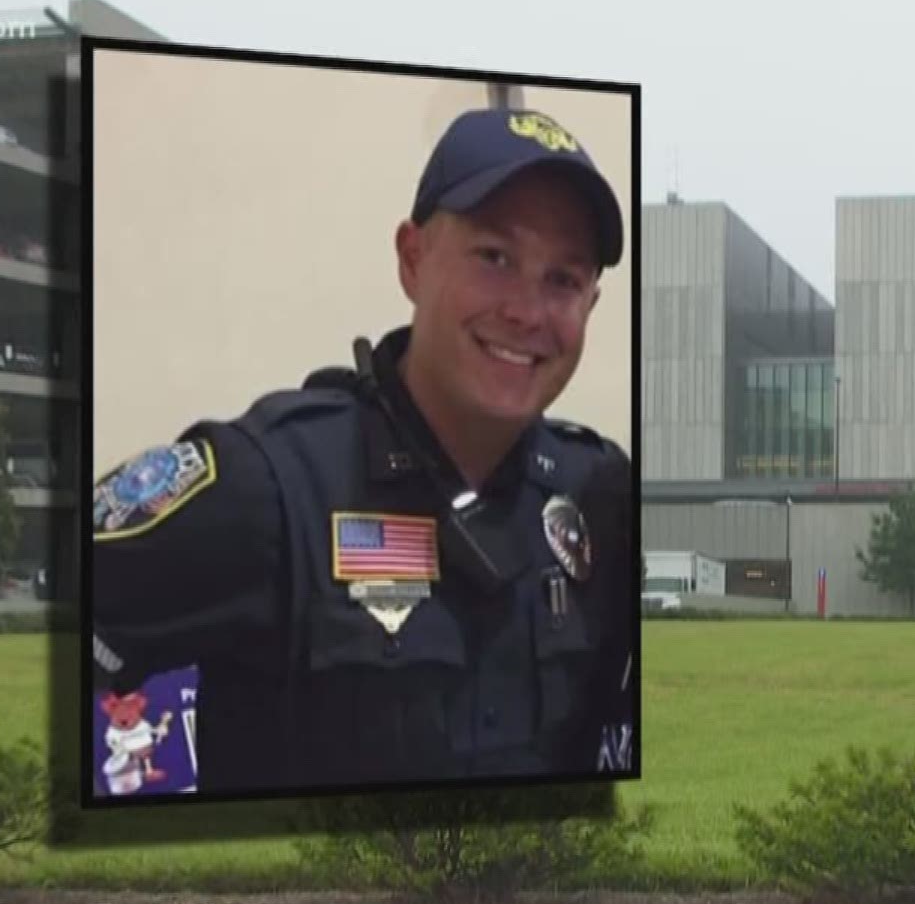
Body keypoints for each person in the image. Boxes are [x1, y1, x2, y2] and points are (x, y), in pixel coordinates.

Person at [90, 106, 636, 797]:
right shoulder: (268, 486)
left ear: (591, 303)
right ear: (412, 259)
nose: (527, 312)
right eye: (495, 258)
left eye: (562, 279)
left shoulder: (596, 498)